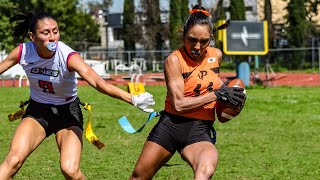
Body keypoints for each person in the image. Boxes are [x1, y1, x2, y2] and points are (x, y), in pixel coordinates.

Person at [0, 9, 155, 180]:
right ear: (32, 37)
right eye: (45, 33)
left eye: (55, 31)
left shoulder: (67, 56)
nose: (52, 37)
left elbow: (98, 83)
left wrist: (132, 98)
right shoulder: (23, 51)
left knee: (70, 170)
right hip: (38, 111)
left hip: (67, 114)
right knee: (13, 160)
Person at [130, 5, 245, 180]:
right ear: (183, 34)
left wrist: (231, 94)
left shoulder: (217, 55)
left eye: (204, 41)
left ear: (211, 38)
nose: (197, 46)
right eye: (192, 39)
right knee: (138, 177)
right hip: (170, 126)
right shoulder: (174, 60)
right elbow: (179, 104)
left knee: (205, 169)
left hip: (199, 129)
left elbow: (209, 79)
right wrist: (216, 94)